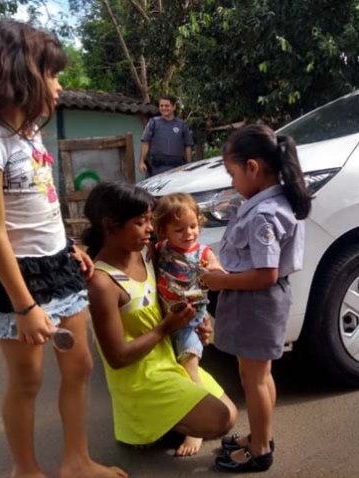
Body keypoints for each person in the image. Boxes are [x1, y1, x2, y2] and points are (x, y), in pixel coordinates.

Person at [0, 20, 126, 478]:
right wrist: (25, 305)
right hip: (16, 276)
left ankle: (76, 461)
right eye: (51, 74)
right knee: (28, 378)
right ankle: (26, 470)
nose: (58, 85)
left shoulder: (29, 131)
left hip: (57, 264)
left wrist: (69, 246)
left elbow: (42, 202)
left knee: (79, 366)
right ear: (20, 72)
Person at [82, 182, 237, 458]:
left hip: (170, 360)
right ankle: (149, 420)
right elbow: (117, 357)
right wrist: (167, 327)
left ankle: (172, 420)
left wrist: (198, 320)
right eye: (141, 222)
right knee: (219, 420)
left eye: (149, 221)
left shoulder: (148, 253)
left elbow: (177, 286)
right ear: (109, 225)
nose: (150, 229)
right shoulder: (102, 283)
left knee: (231, 414)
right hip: (141, 377)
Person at [200, 124, 312, 472]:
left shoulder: (264, 214)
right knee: (259, 375)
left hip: (257, 303)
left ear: (252, 168)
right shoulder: (272, 203)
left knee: (255, 378)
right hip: (259, 301)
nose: (232, 181)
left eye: (232, 173)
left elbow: (266, 274)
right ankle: (262, 434)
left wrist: (221, 279)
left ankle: (260, 449)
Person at [153, 193, 223, 409]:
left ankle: (203, 412)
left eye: (193, 226)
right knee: (176, 369)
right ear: (163, 231)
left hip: (190, 322)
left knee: (189, 364)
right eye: (179, 229)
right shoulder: (160, 250)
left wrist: (216, 271)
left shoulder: (203, 253)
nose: (188, 233)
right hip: (164, 317)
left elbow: (219, 274)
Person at [139, 96, 194, 176]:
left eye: (167, 105)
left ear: (174, 107)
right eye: (161, 106)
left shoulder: (182, 125)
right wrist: (142, 162)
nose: (164, 108)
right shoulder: (153, 123)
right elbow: (145, 142)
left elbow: (188, 146)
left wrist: (189, 164)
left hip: (178, 168)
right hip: (157, 168)